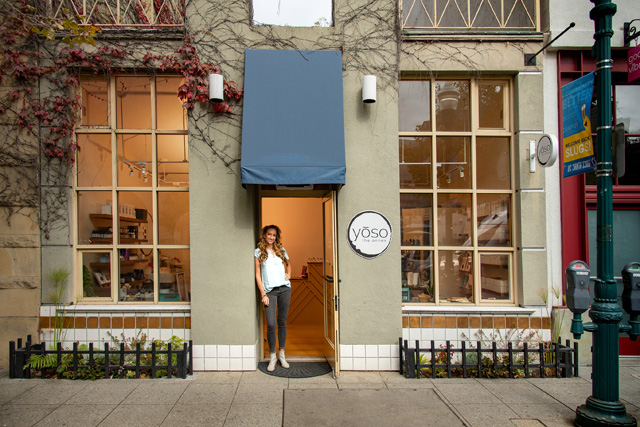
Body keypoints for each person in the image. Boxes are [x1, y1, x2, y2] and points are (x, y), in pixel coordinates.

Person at [254, 225, 292, 372]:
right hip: (269, 292)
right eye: (269, 234)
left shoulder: (281, 250)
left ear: (276, 237)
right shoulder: (258, 252)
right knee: (270, 324)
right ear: (264, 235)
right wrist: (263, 294)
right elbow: (258, 275)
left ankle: (281, 354)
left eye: (274, 235)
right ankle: (272, 357)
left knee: (282, 322)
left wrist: (288, 274)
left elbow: (289, 264)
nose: (271, 237)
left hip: (284, 289)